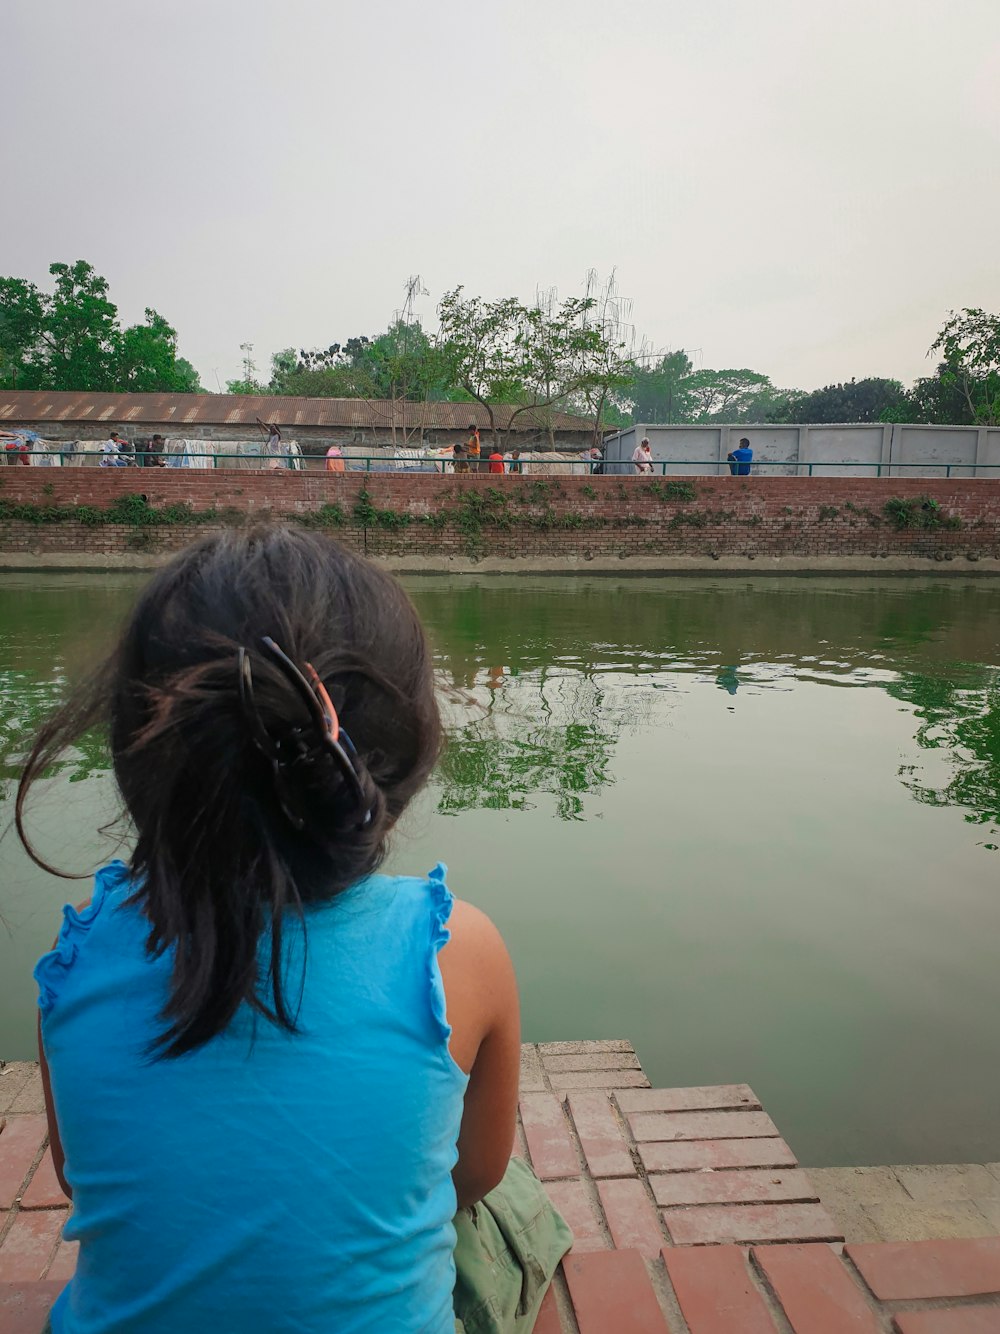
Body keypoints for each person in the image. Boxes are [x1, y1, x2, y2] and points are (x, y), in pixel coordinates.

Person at [22, 529, 570, 1334]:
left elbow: (79, 1179)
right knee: (511, 1199)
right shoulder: (458, 950)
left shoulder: (76, 962)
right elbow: (473, 1176)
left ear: (140, 762)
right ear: (393, 762)